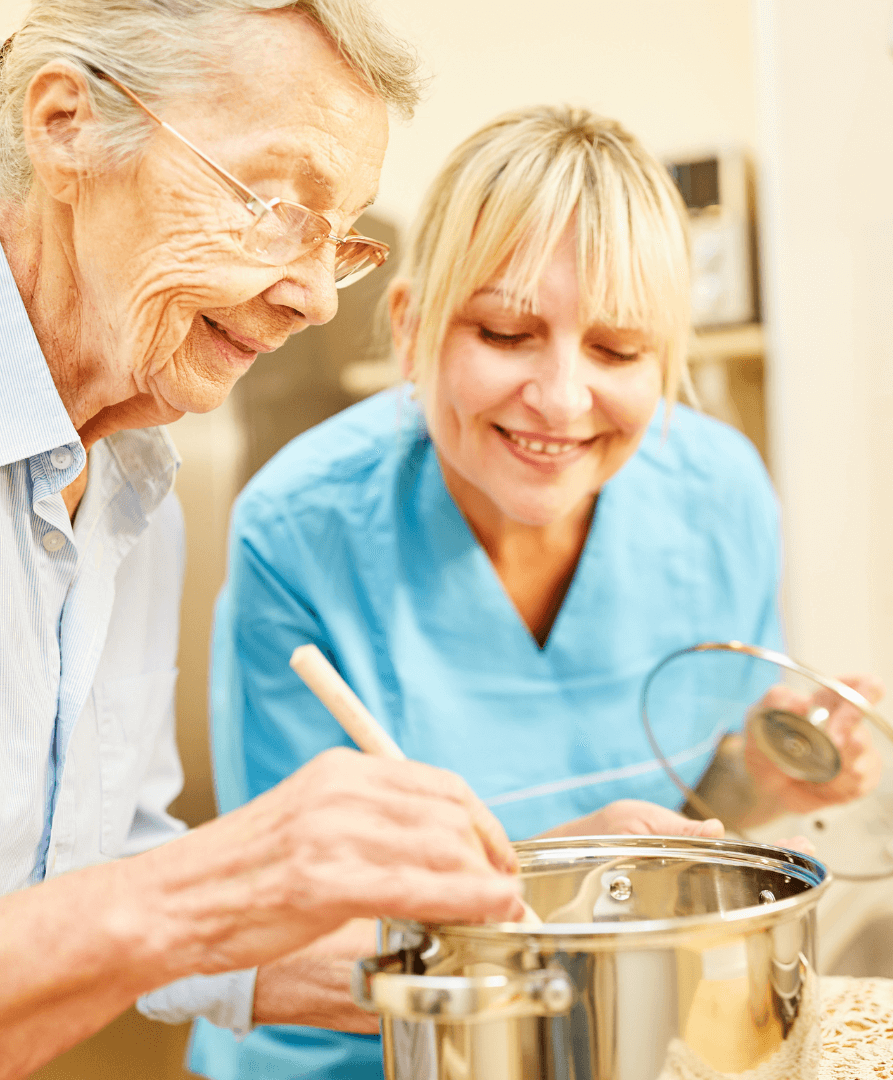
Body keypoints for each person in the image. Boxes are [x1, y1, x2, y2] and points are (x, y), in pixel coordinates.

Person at [191, 106, 881, 1079]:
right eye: (508, 332)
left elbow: (683, 802)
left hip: (619, 1045)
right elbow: (268, 922)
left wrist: (760, 784)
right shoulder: (305, 529)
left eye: (617, 350)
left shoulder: (720, 498)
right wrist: (550, 878)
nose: (561, 399)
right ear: (410, 327)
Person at [0, 4, 531, 1076]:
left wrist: (476, 964)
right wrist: (217, 885)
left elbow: (89, 876)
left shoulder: (135, 476)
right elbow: (147, 905)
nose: (315, 298)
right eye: (278, 205)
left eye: (341, 239)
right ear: (64, 126)